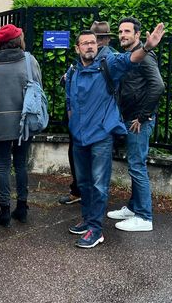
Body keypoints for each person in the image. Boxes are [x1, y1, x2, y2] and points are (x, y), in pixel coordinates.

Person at [66, 23, 165, 248]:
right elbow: (70, 101)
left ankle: (96, 230)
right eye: (85, 43)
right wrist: (73, 124)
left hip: (101, 137)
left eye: (93, 42)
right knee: (84, 183)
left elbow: (131, 59)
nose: (90, 46)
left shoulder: (108, 63)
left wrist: (147, 47)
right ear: (77, 48)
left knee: (99, 185)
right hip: (79, 138)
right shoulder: (72, 72)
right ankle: (88, 220)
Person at [107, 17, 165, 232]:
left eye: (127, 32)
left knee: (137, 165)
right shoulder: (128, 56)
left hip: (138, 121)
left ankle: (144, 217)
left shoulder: (145, 56)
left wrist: (142, 116)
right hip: (130, 118)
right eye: (120, 31)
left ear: (137, 35)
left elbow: (158, 86)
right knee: (134, 164)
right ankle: (134, 207)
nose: (122, 35)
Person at [0, 24, 41, 227]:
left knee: (3, 165)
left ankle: (4, 209)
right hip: (24, 119)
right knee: (21, 163)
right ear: (18, 40)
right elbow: (38, 87)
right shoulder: (28, 60)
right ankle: (22, 208)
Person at [58, 20, 117, 205]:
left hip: (99, 123)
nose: (93, 44)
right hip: (81, 122)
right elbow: (68, 86)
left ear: (104, 39)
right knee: (84, 168)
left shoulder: (111, 59)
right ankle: (83, 198)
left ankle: (93, 217)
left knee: (96, 173)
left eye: (97, 40)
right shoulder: (81, 63)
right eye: (89, 41)